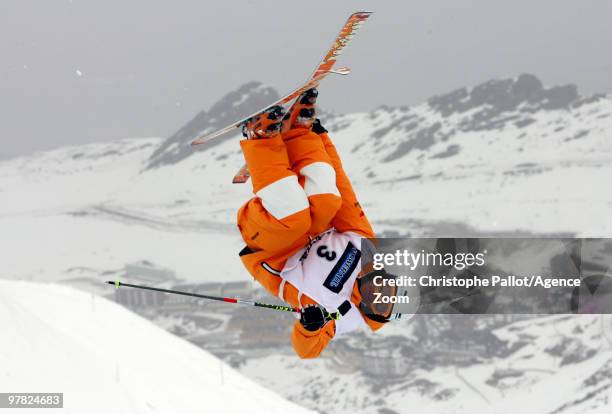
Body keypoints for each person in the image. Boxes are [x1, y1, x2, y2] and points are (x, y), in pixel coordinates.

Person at [236, 89, 397, 359]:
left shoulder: (340, 313)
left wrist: (310, 327)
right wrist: (318, 138)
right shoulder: (367, 252)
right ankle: (296, 132)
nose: (375, 283)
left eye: (375, 295)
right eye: (385, 284)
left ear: (366, 305)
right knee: (327, 198)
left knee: (294, 217)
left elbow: (307, 351)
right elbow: (344, 190)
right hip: (309, 228)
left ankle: (261, 138)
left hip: (272, 248)